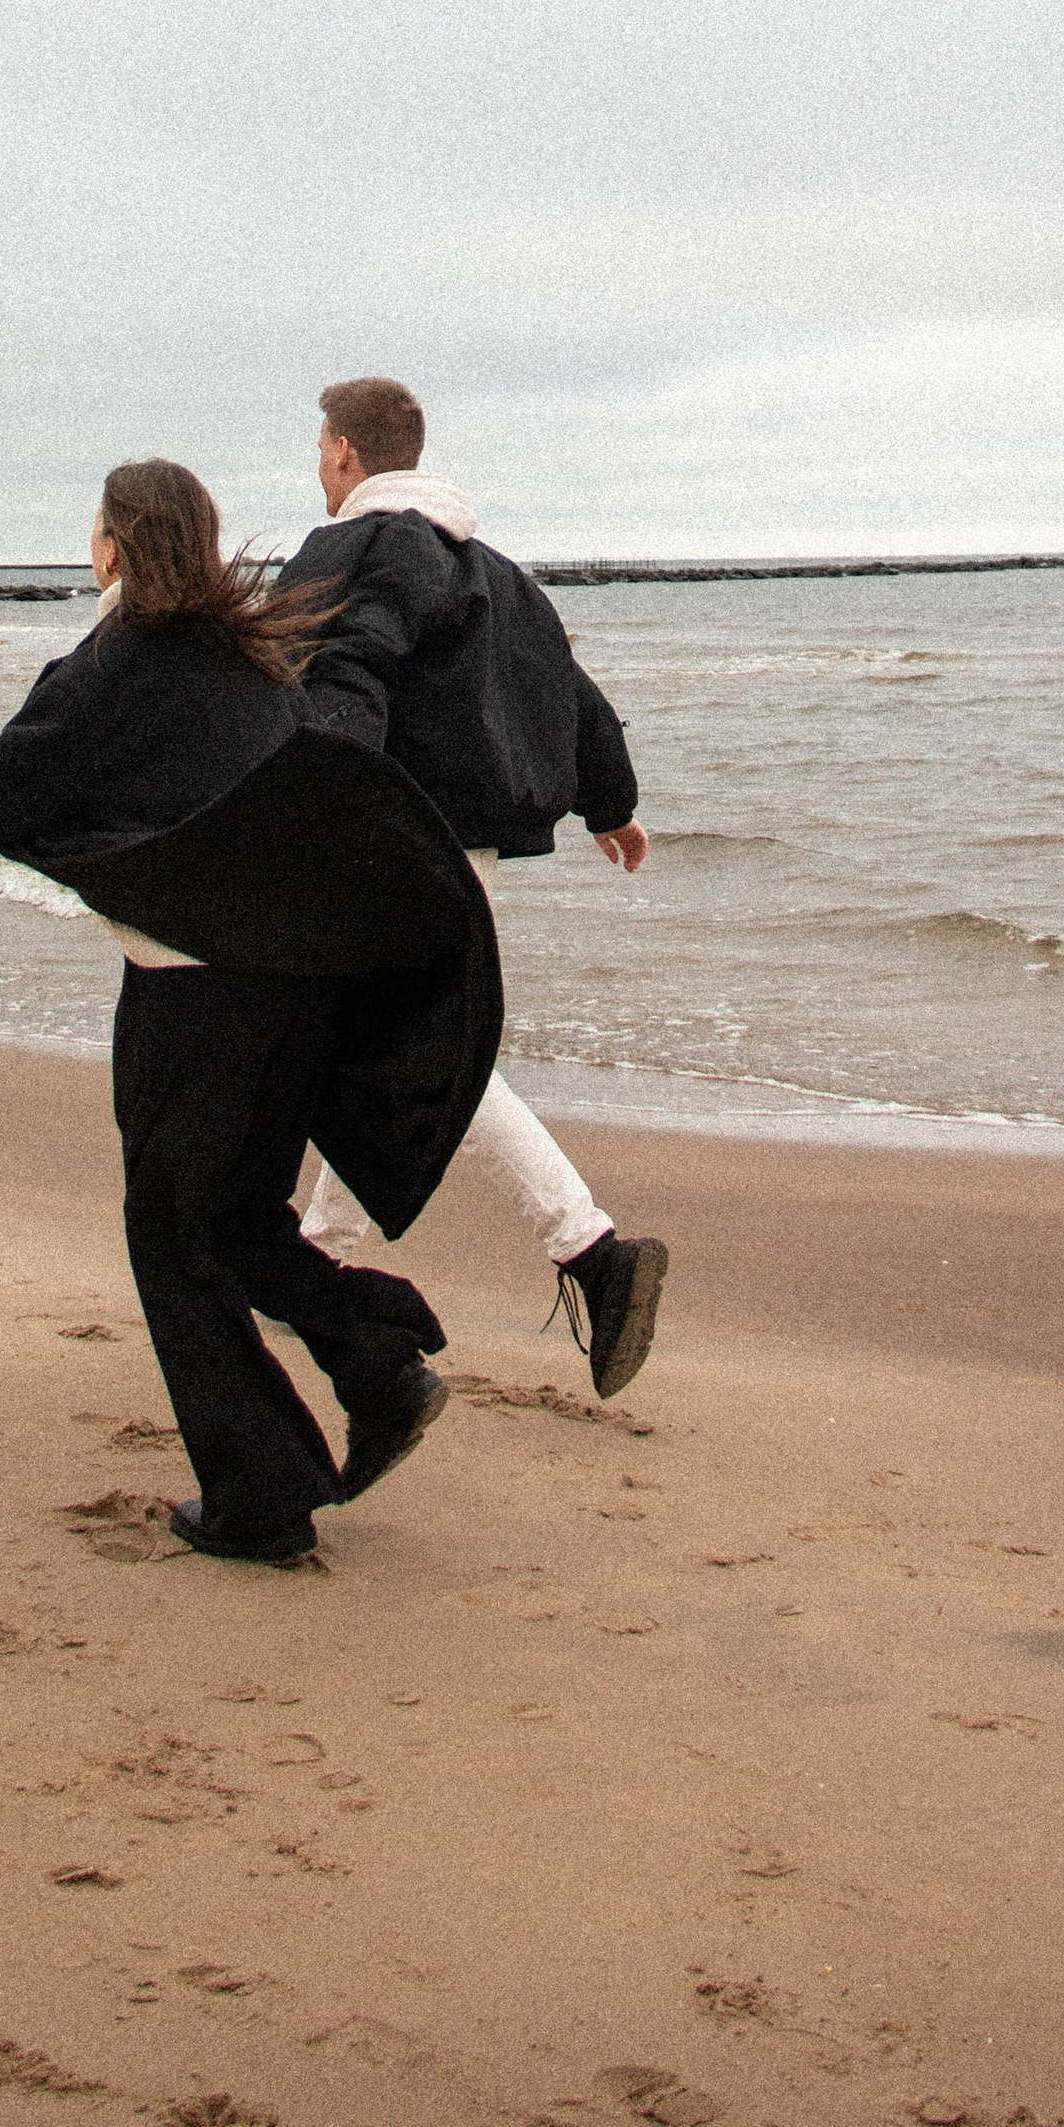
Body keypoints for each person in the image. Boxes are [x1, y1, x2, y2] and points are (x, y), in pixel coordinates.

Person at [0, 460, 500, 1568]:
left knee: (171, 1234)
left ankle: (260, 1494)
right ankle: (375, 1365)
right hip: (294, 989)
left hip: (196, 1000)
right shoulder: (256, 663)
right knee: (235, 1221)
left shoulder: (113, 672)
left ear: (113, 546)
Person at [277, 376, 670, 1401]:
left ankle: (590, 1248)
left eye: (322, 448)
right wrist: (610, 803)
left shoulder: (356, 549)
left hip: (390, 842)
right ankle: (322, 1250)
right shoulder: (492, 570)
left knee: (412, 1054)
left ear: (350, 455)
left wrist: (331, 809)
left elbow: (342, 671)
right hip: (460, 851)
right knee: (374, 1044)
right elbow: (568, 690)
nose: (318, 465)